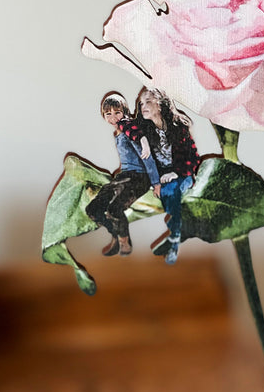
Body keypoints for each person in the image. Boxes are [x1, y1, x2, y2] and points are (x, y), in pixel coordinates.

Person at [85, 92, 161, 257]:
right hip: (124, 176)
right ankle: (116, 235)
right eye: (108, 114)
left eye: (117, 112)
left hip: (139, 177)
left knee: (114, 209)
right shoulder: (118, 132)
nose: (113, 118)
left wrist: (156, 183)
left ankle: (124, 240)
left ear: (125, 112)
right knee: (93, 209)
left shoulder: (129, 128)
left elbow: (146, 156)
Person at [135, 87, 200, 265]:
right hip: (161, 177)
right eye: (141, 103)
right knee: (164, 190)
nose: (143, 106)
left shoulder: (179, 127)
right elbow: (127, 127)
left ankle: (175, 238)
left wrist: (176, 173)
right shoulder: (145, 130)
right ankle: (177, 230)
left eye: (148, 101)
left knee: (172, 189)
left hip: (182, 174)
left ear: (160, 104)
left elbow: (193, 158)